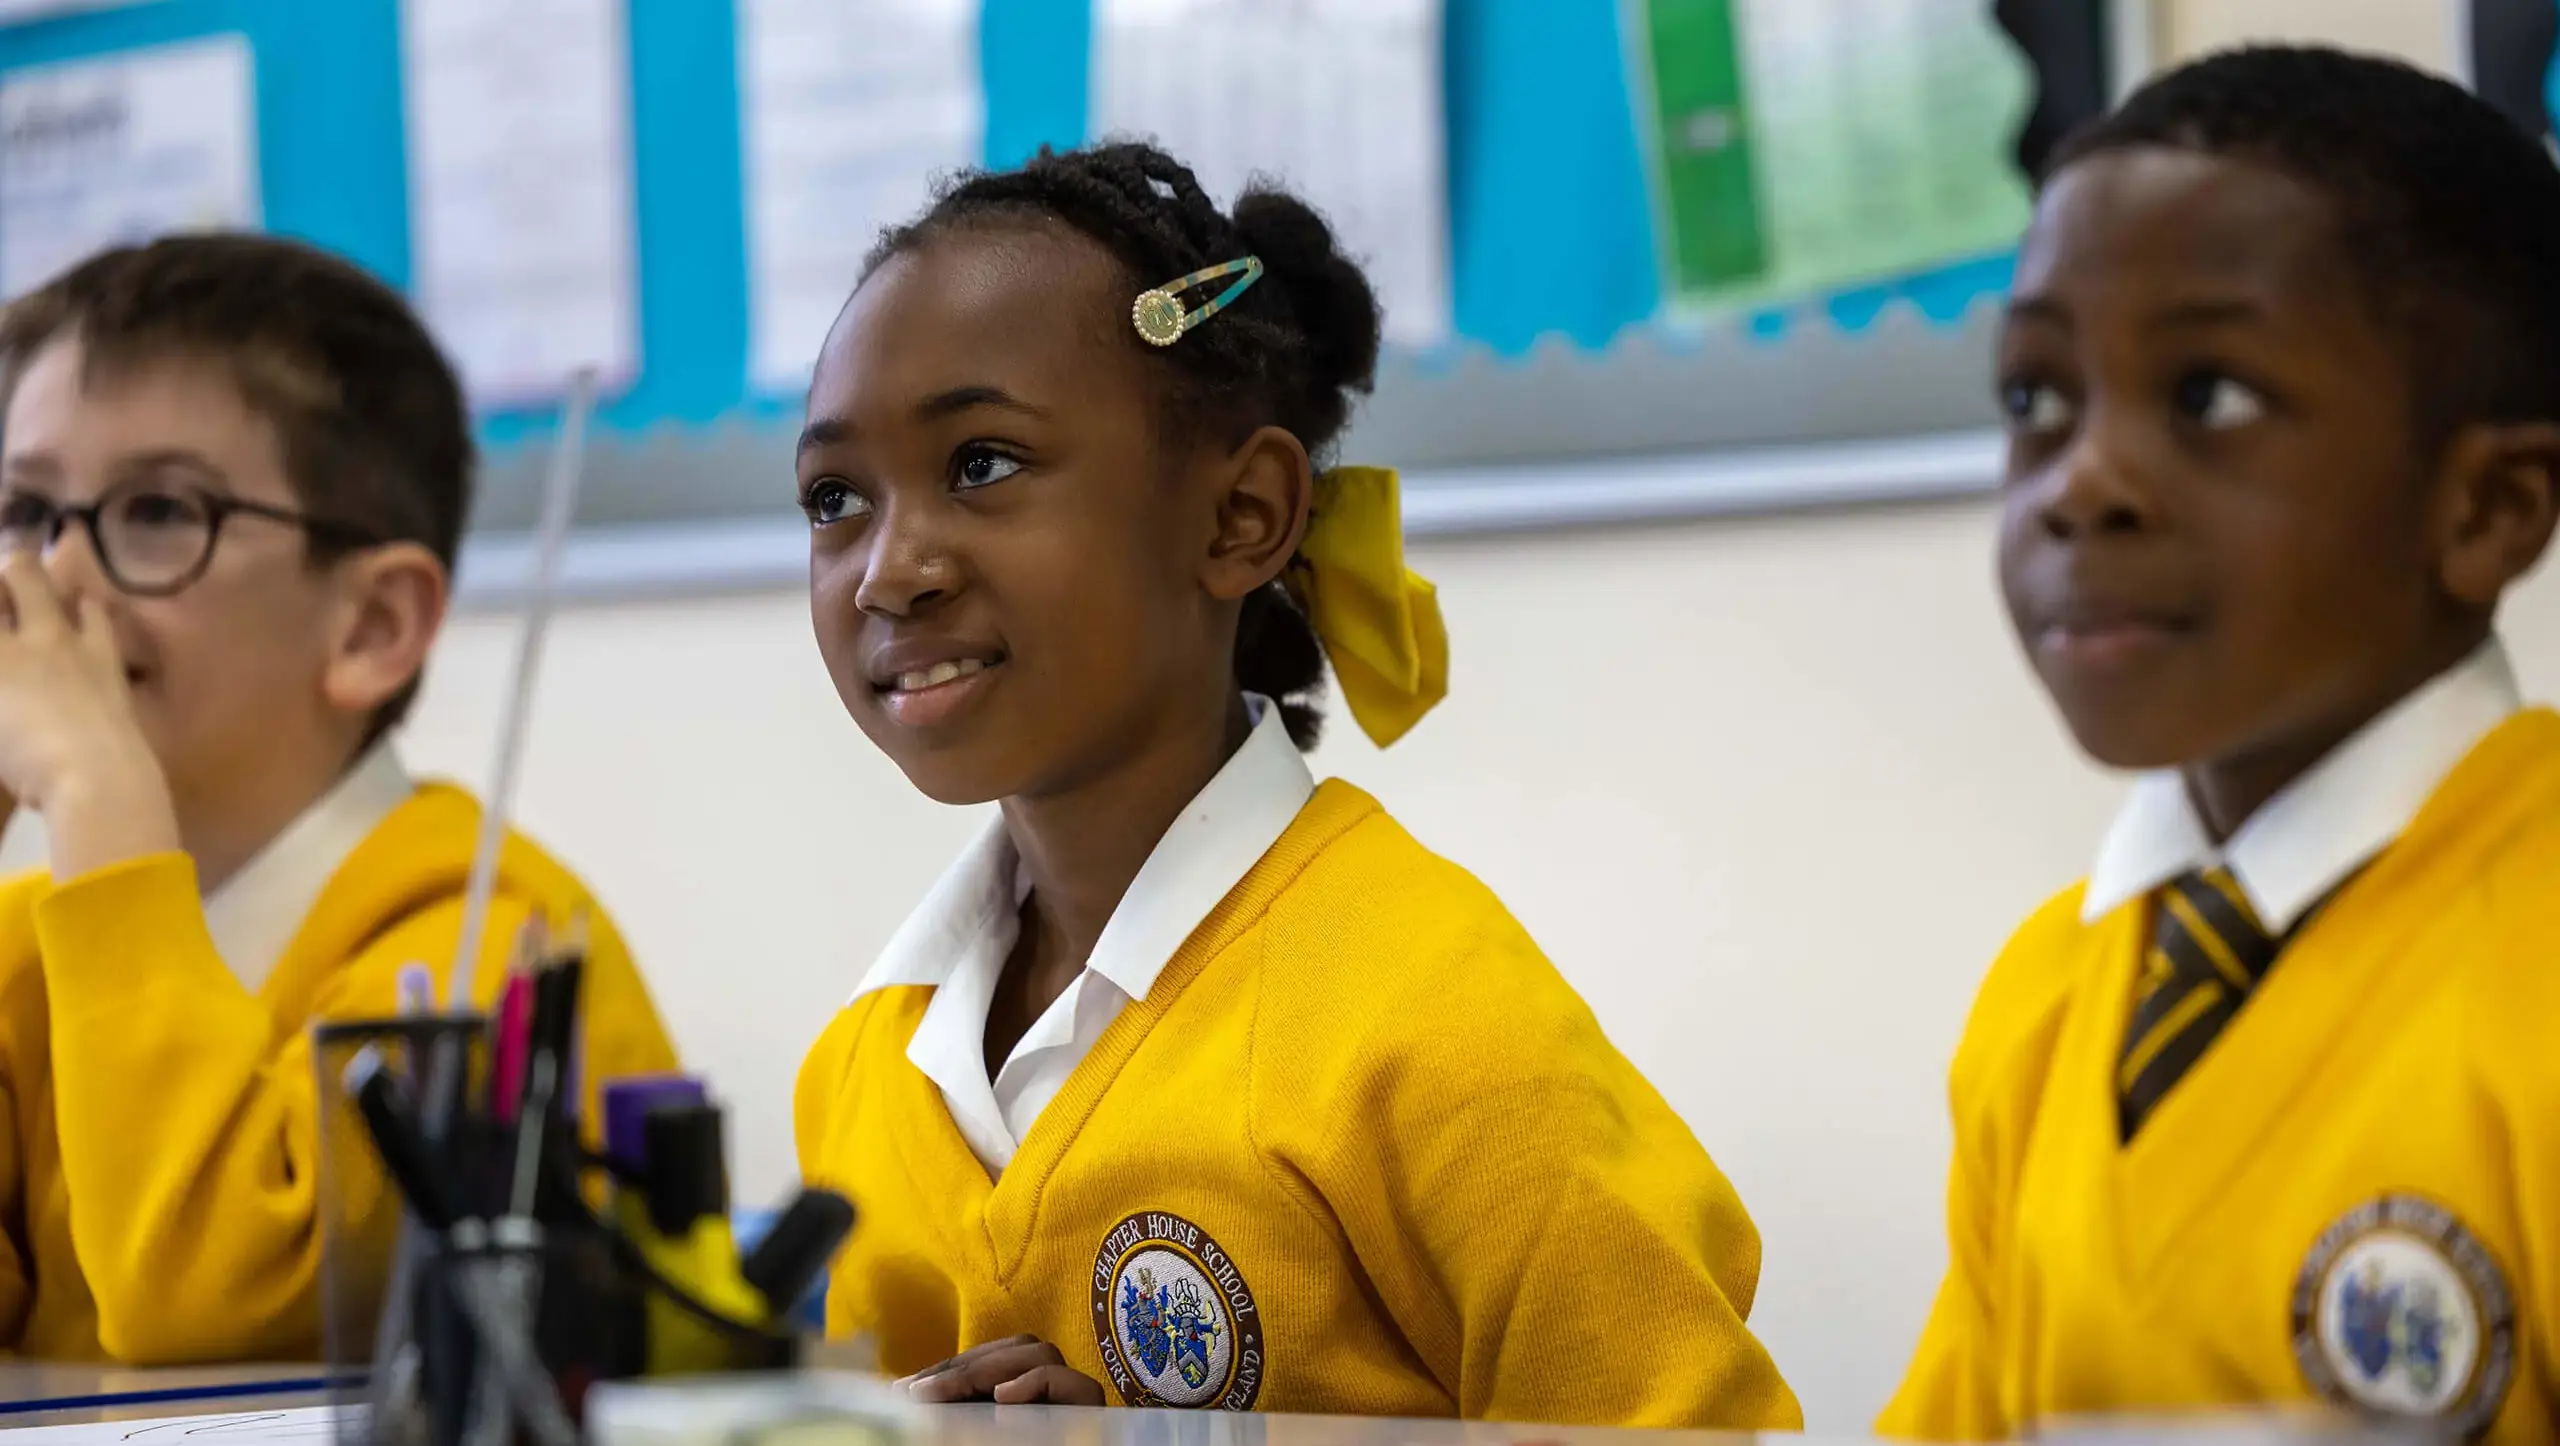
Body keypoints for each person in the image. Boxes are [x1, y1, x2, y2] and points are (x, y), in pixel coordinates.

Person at [790, 142, 1798, 1427]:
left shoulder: (1432, 1030)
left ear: (1240, 518)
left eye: (982, 463)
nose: (889, 569)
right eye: (834, 498)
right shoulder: (868, 1069)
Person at [1882, 47, 2560, 1443]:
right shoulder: (2047, 1001)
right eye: (2035, 401)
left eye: (2211, 398)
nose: (2084, 486)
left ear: (2489, 506)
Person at [0, 234, 679, 1362]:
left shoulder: (479, 948)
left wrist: (93, 785)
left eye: (160, 511)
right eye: (25, 514)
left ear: (370, 627)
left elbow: (206, 1301)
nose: (57, 582)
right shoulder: (40, 947)